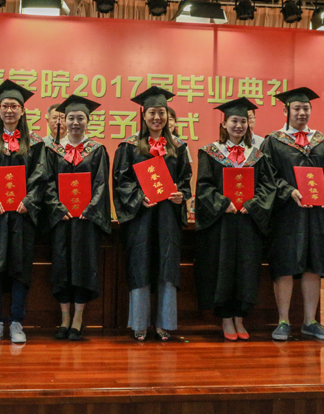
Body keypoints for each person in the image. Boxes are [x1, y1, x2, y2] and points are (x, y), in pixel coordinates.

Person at [260, 87, 324, 342]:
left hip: (317, 213)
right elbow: (266, 175)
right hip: (287, 213)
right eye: (296, 108)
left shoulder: (321, 140)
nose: (301, 112)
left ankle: (310, 321)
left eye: (306, 108)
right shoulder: (273, 141)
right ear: (286, 111)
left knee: (313, 265)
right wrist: (288, 190)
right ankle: (283, 321)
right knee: (285, 265)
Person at [0, 79, 50, 344]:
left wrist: (29, 200)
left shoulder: (35, 143)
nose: (9, 110)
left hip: (22, 216)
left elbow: (41, 176)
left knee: (20, 268)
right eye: (5, 106)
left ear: (22, 110)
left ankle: (17, 321)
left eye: (14, 106)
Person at [113, 86, 192, 342]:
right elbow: (121, 180)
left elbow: (185, 181)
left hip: (168, 216)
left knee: (166, 266)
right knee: (141, 264)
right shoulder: (129, 146)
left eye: (161, 113)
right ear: (143, 115)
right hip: (141, 218)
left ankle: (164, 323)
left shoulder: (178, 147)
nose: (157, 118)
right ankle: (139, 323)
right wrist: (139, 197)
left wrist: (181, 195)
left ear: (168, 116)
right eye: (152, 113)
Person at [194, 98, 276, 341]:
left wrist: (252, 205)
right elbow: (204, 186)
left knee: (246, 268)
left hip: (248, 222)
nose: (239, 125)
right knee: (223, 268)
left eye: (243, 121)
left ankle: (240, 316)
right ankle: (225, 318)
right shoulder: (210, 153)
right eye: (234, 121)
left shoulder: (258, 155)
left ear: (248, 124)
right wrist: (223, 204)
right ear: (224, 123)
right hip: (222, 222)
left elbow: (268, 187)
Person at [41, 95, 111, 341]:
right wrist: (58, 208)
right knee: (62, 268)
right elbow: (47, 183)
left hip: (84, 221)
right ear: (64, 121)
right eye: (70, 118)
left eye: (80, 118)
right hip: (62, 220)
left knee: (83, 267)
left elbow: (101, 183)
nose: (75, 122)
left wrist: (89, 210)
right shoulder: (52, 150)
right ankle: (64, 319)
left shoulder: (97, 150)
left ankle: (78, 319)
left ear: (87, 121)